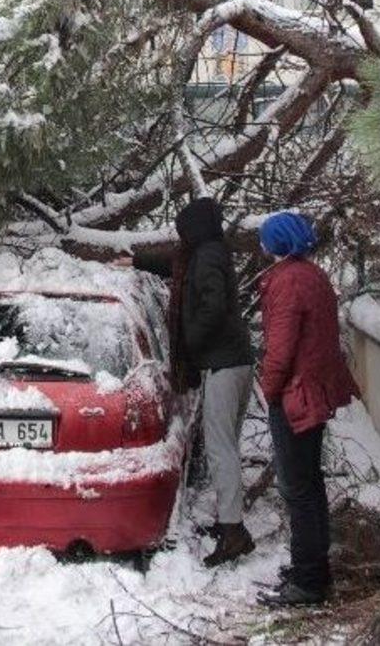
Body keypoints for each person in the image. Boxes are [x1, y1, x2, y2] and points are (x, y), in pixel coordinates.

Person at [116, 197, 255, 567]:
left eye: (183, 229)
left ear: (194, 228)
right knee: (226, 446)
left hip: (224, 364)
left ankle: (234, 533)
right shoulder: (207, 252)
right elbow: (177, 266)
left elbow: (213, 304)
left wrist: (189, 341)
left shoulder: (208, 256)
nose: (181, 236)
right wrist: (138, 261)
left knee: (220, 448)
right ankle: (230, 522)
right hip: (232, 362)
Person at [256, 212, 359, 609]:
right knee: (310, 485)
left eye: (265, 239)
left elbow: (280, 350)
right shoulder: (313, 275)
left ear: (278, 243)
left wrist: (269, 390)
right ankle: (312, 568)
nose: (261, 245)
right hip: (314, 391)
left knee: (297, 489)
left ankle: (308, 580)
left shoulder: (286, 282)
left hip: (296, 395)